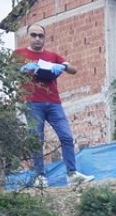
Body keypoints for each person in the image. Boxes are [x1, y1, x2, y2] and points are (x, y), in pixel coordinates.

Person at [14, 24, 94, 188]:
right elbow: (10, 72)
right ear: (28, 36)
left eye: (40, 36)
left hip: (54, 103)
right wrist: (23, 69)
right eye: (34, 35)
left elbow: (73, 69)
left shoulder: (51, 55)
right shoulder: (19, 54)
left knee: (66, 137)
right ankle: (39, 176)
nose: (37, 38)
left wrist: (63, 66)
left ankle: (72, 174)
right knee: (37, 139)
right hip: (32, 103)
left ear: (45, 38)